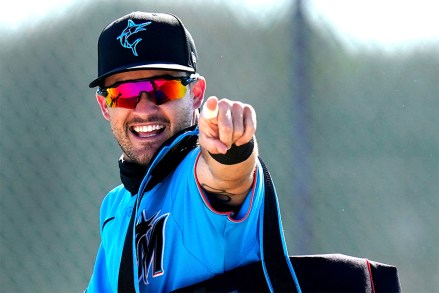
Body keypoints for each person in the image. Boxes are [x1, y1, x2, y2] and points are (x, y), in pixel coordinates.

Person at [86, 11, 299, 292]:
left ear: (196, 93)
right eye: (123, 94)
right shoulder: (114, 208)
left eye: (163, 88)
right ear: (105, 106)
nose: (145, 109)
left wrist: (231, 148)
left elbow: (226, 178)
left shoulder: (195, 175)